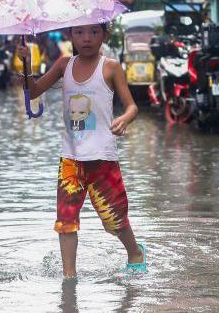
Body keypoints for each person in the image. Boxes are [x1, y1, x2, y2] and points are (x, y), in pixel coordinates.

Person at [16, 23, 146, 278]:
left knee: (114, 219)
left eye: (94, 32)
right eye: (79, 32)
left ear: (104, 35)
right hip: (71, 159)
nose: (86, 38)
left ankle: (135, 253)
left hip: (102, 158)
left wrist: (124, 119)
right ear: (70, 36)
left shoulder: (110, 67)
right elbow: (34, 91)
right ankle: (69, 277)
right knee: (65, 222)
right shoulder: (64, 65)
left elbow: (132, 106)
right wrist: (26, 65)